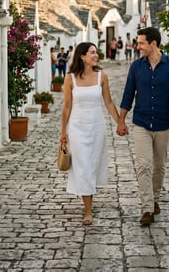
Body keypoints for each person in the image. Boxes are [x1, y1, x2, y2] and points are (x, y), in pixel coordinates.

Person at [116, 27, 169, 226]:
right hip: (141, 123)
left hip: (164, 124)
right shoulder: (136, 67)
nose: (138, 47)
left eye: (141, 43)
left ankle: (154, 198)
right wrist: (121, 121)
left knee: (159, 167)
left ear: (153, 43)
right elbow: (128, 94)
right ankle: (147, 208)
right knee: (143, 166)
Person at [59, 42, 120, 225]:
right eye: (92, 53)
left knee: (92, 165)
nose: (96, 55)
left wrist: (120, 123)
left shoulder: (102, 76)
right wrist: (63, 131)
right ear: (82, 56)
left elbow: (108, 102)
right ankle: (88, 211)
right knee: (83, 165)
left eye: (96, 52)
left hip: (96, 126)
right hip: (77, 127)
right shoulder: (70, 78)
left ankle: (88, 201)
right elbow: (67, 106)